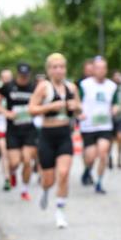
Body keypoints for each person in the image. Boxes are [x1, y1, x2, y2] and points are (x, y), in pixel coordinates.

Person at [29, 53, 81, 228]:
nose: (59, 70)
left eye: (61, 66)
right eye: (54, 67)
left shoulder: (71, 88)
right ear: (49, 70)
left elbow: (79, 110)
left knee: (64, 173)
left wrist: (77, 108)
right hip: (47, 134)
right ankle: (45, 190)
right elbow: (31, 109)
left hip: (65, 134)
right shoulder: (44, 87)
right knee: (49, 180)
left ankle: (60, 211)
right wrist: (50, 106)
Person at [0, 63, 38, 201]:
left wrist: (36, 111)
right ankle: (12, 172)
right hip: (13, 130)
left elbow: (41, 103)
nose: (23, 78)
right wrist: (6, 113)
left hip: (29, 129)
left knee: (27, 160)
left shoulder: (34, 88)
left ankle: (24, 190)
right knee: (15, 162)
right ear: (17, 74)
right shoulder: (8, 86)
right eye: (21, 75)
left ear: (29, 75)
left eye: (26, 75)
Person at [78, 56, 120, 194]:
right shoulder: (84, 85)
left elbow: (115, 103)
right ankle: (87, 169)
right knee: (90, 156)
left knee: (103, 153)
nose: (101, 70)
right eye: (98, 68)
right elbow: (76, 101)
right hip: (88, 125)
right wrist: (78, 113)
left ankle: (100, 182)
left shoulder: (112, 86)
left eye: (103, 68)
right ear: (93, 69)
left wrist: (115, 109)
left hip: (105, 126)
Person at [110, 70, 121, 169]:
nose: (117, 78)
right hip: (110, 117)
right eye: (115, 76)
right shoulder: (109, 88)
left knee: (120, 137)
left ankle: (119, 159)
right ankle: (109, 157)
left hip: (120, 117)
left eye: (119, 76)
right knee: (110, 140)